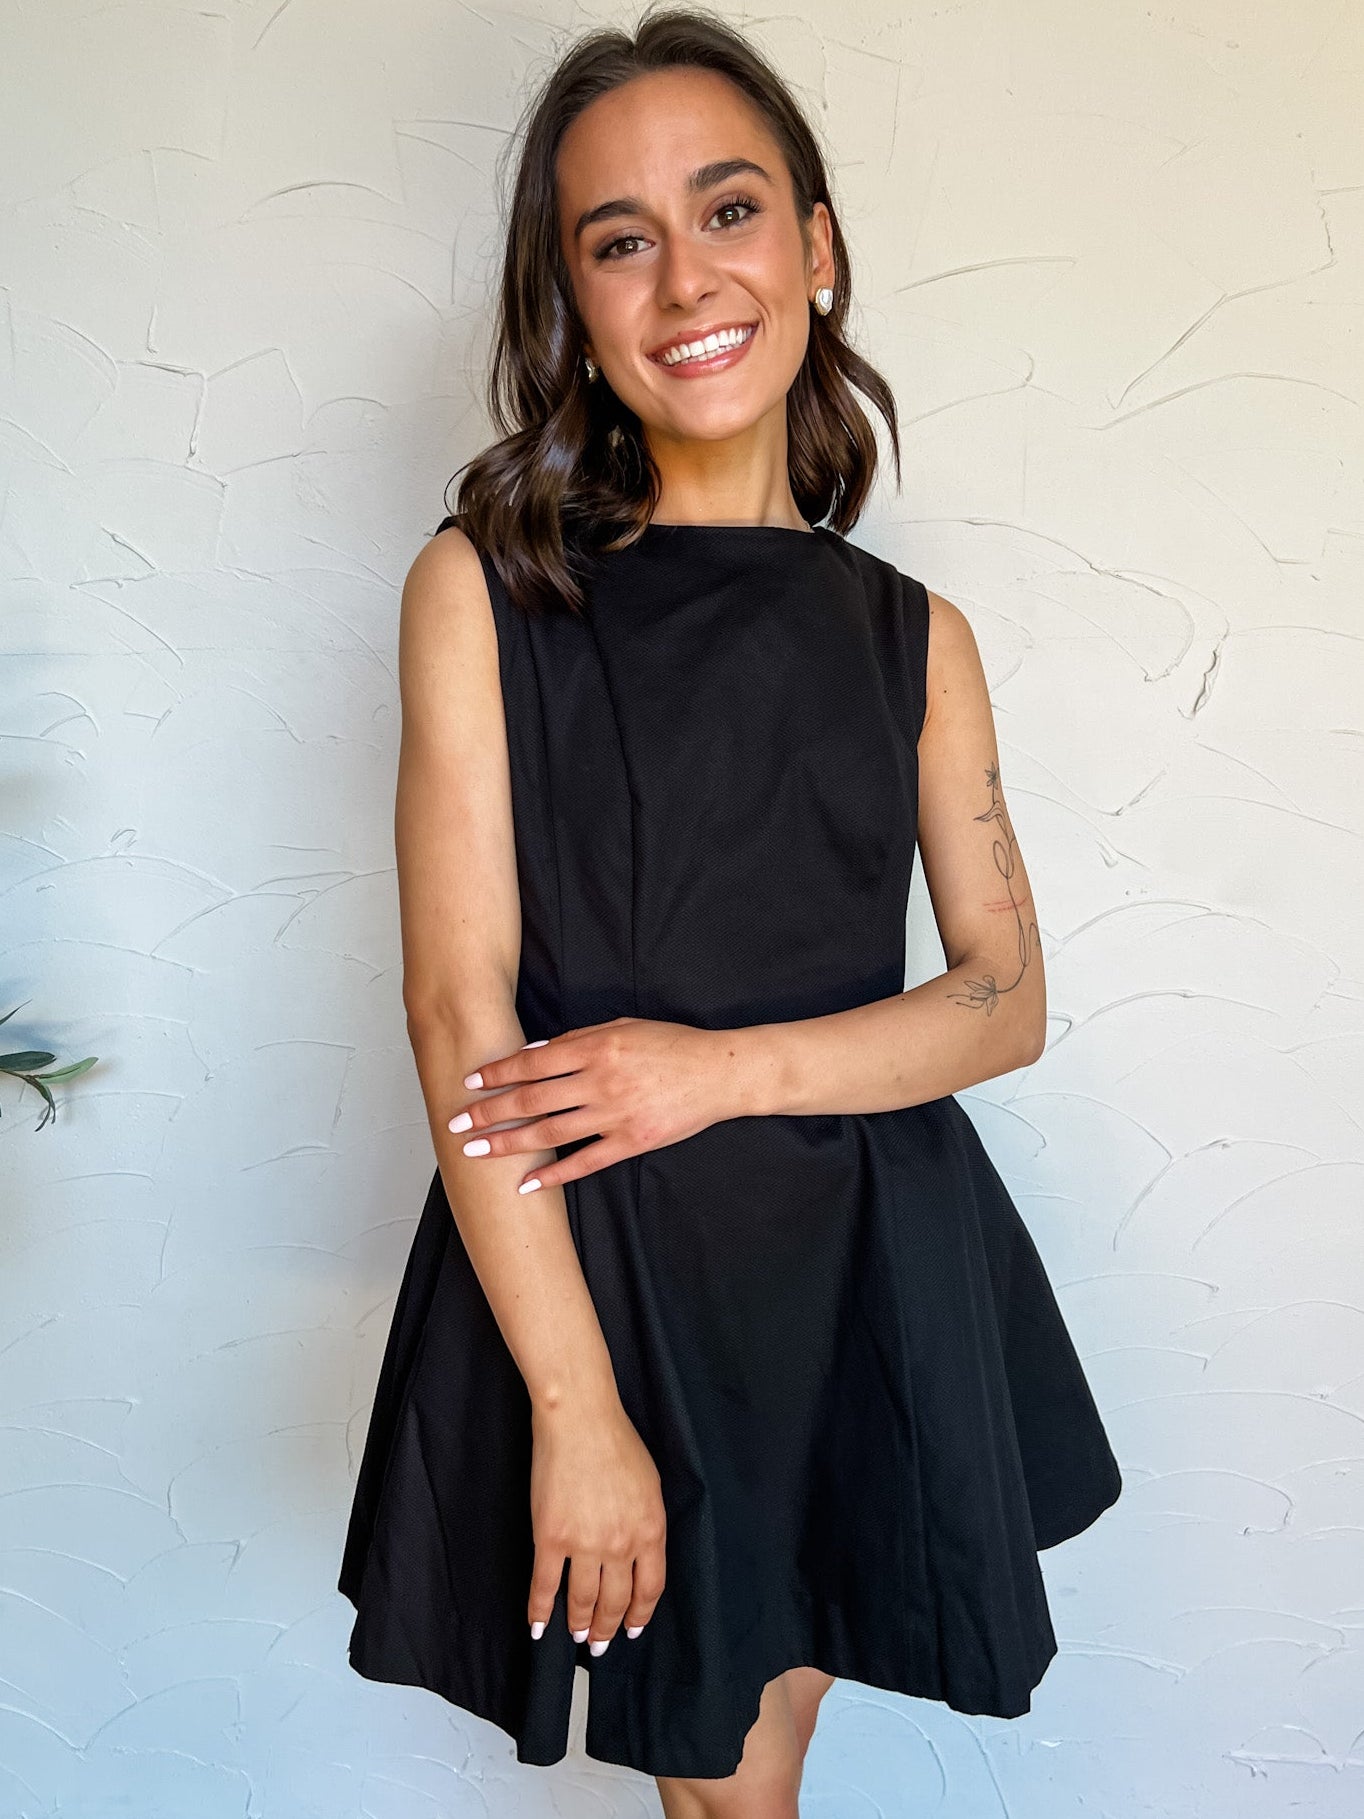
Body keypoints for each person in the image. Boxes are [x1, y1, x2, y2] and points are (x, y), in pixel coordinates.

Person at [337, 9, 1123, 1816]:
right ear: (577, 302)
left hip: (861, 1267)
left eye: (730, 207)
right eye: (620, 239)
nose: (685, 275)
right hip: (608, 1291)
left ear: (816, 247)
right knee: (727, 1773)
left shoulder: (918, 636)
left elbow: (1003, 1000)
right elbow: (461, 1022)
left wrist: (715, 1074)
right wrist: (576, 1408)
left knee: (765, 1751)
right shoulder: (480, 595)